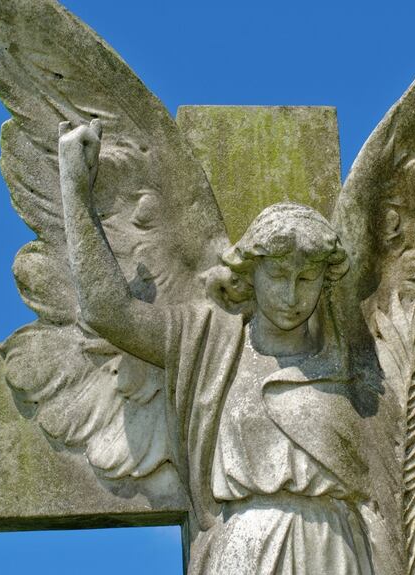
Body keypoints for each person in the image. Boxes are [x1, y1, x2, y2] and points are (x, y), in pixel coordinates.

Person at [58, 120, 385, 575]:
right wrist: (75, 190)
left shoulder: (354, 355)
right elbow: (109, 312)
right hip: (244, 548)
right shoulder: (210, 339)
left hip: (336, 550)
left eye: (306, 279)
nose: (291, 297)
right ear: (250, 274)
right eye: (277, 277)